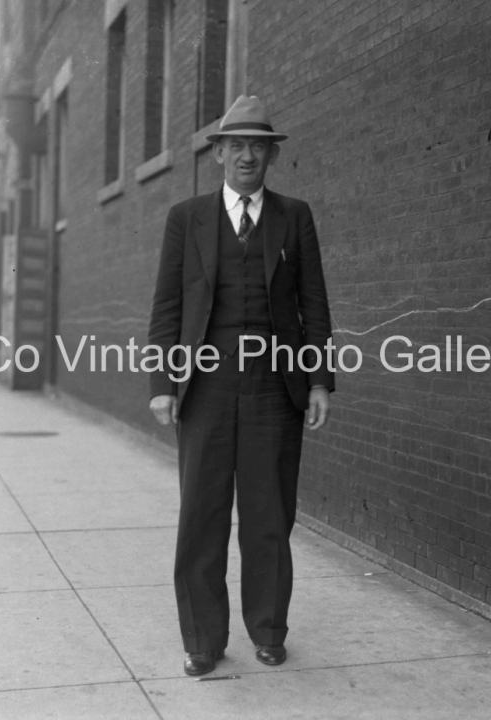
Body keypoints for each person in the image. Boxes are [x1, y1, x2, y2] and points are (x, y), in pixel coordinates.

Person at [147, 95, 334, 676]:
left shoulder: (294, 216)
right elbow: (167, 306)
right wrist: (162, 383)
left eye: (258, 146)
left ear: (270, 156)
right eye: (237, 146)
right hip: (204, 387)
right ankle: (203, 641)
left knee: (269, 515)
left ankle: (269, 630)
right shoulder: (187, 218)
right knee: (201, 516)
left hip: (275, 390)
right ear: (220, 153)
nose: (247, 156)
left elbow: (313, 304)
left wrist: (320, 381)